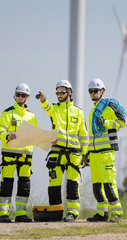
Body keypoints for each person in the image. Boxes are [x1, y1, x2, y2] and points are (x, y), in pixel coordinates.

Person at [37, 79, 88, 222]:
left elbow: (83, 134)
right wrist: (43, 99)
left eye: (62, 92)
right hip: (56, 152)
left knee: (73, 184)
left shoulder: (78, 112)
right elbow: (46, 107)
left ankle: (72, 212)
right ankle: (55, 211)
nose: (59, 95)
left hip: (74, 153)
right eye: (57, 93)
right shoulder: (54, 108)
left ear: (69, 92)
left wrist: (85, 153)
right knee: (54, 183)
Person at [86, 78, 127, 222]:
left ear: (102, 92)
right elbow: (91, 136)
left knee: (109, 183)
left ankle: (117, 214)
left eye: (95, 91)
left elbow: (123, 121)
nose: (93, 93)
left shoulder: (110, 106)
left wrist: (106, 123)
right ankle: (102, 214)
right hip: (94, 154)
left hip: (106, 152)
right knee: (97, 185)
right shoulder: (92, 113)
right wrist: (87, 153)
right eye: (90, 91)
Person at [0, 83, 38, 223]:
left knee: (24, 185)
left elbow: (35, 134)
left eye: (23, 95)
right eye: (18, 95)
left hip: (26, 156)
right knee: (7, 183)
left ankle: (21, 213)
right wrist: (7, 136)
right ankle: (3, 213)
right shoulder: (7, 113)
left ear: (27, 98)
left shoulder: (32, 116)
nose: (20, 97)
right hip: (10, 155)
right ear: (14, 96)